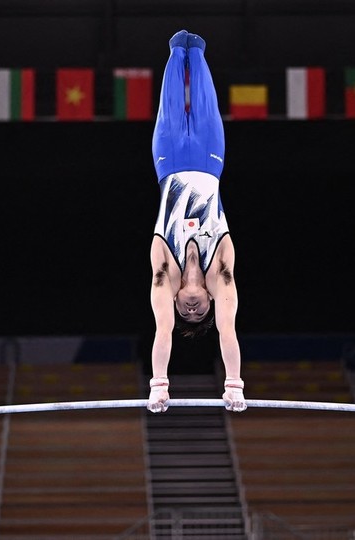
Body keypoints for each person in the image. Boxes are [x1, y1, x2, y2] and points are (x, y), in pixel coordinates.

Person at [147, 29, 246, 413]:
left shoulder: (163, 274)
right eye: (199, 310)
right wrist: (233, 384)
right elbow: (228, 330)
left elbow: (163, 331)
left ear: (175, 301)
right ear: (209, 299)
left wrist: (159, 385)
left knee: (172, 96)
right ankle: (199, 52)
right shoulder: (221, 272)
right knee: (204, 97)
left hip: (168, 161)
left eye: (185, 311)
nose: (191, 309)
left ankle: (175, 51)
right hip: (209, 160)